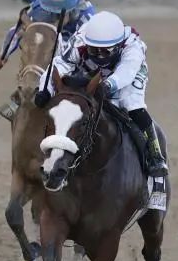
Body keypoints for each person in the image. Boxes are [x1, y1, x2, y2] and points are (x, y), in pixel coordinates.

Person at [35, 11, 168, 178]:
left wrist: (108, 85)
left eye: (105, 52)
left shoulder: (133, 48)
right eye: (94, 50)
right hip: (89, 68)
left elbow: (126, 72)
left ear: (118, 46)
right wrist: (44, 90)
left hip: (126, 73)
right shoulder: (80, 40)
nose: (99, 56)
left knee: (131, 103)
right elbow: (60, 63)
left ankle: (156, 155)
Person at [0, 0, 96, 121]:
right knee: (35, 54)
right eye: (49, 11)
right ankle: (19, 98)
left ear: (72, 10)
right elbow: (15, 32)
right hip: (51, 44)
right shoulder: (37, 8)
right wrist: (3, 57)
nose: (53, 16)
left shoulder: (86, 16)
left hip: (78, 50)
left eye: (58, 13)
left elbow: (86, 48)